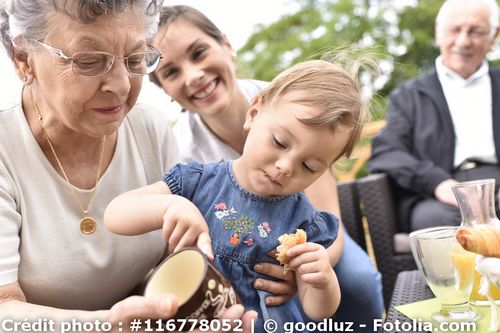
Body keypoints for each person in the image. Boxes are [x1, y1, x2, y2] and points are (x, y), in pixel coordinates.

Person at [0, 0, 256, 330]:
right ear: (23, 59)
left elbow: (173, 263)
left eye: (135, 59)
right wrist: (110, 325)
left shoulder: (150, 128)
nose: (121, 86)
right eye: (90, 62)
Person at [147, 5, 384, 327]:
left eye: (199, 53)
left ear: (226, 46)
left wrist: (300, 273)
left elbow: (329, 223)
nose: (193, 75)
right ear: (167, 91)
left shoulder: (296, 107)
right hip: (241, 250)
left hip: (300, 232)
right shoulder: (187, 154)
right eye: (171, 72)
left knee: (356, 280)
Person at [105, 59, 368, 329]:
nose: (285, 166)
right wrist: (169, 207)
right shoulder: (197, 182)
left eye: (309, 166)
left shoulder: (304, 221)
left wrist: (323, 281)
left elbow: (317, 311)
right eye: (279, 142)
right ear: (253, 114)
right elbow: (115, 214)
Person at [368, 0, 500, 232]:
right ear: (438, 32)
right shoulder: (408, 96)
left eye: (476, 31)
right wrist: (437, 182)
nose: (463, 41)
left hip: (496, 182)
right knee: (436, 225)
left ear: (494, 36)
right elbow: (386, 152)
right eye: (455, 30)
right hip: (441, 194)